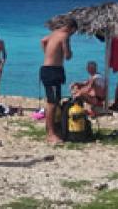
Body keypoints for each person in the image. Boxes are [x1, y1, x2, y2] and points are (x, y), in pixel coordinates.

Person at [40, 16, 77, 144]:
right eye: (73, 32)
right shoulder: (65, 36)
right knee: (52, 102)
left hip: (47, 69)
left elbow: (43, 40)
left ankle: (53, 130)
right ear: (71, 29)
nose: (72, 34)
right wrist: (69, 52)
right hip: (52, 71)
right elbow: (67, 56)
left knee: (55, 101)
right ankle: (51, 134)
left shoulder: (54, 33)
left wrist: (48, 54)